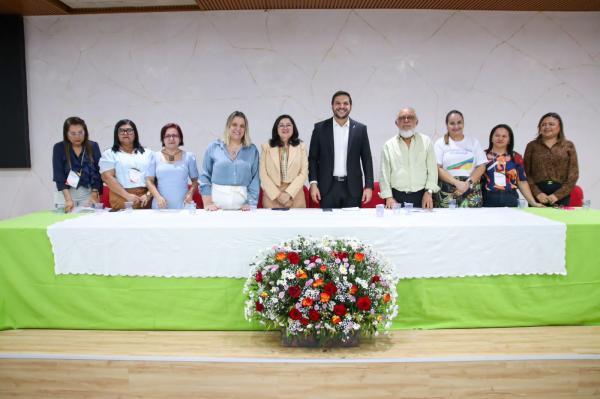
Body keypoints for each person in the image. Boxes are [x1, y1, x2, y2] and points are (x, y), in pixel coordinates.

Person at [308, 90, 374, 208]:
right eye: (337, 103)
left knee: (351, 225)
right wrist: (313, 183)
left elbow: (367, 159)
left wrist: (369, 186)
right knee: (328, 225)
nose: (341, 106)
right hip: (327, 188)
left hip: (353, 189)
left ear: (350, 106)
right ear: (332, 106)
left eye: (345, 103)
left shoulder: (360, 129)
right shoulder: (319, 129)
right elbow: (312, 159)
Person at [379, 108, 438, 209]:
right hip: (396, 198)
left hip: (422, 196)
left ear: (416, 122)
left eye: (410, 117)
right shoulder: (388, 145)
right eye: (402, 118)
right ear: (396, 123)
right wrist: (388, 197)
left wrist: (429, 192)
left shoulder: (426, 142)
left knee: (422, 224)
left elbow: (432, 170)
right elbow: (384, 174)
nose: (406, 120)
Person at [199, 111, 259, 211]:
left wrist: (250, 203)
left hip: (243, 208)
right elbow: (205, 177)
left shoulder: (252, 150)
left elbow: (255, 179)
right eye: (234, 125)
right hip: (216, 207)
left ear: (245, 129)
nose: (238, 129)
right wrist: (208, 203)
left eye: (242, 126)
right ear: (228, 126)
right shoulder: (214, 147)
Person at [434, 110, 487, 208]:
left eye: (459, 122)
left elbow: (481, 166)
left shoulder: (473, 142)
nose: (456, 126)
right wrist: (456, 183)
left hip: (471, 188)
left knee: (471, 221)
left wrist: (468, 183)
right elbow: (437, 168)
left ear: (463, 124)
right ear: (447, 125)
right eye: (452, 123)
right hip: (447, 189)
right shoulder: (440, 143)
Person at [524, 112, 579, 207]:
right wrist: (537, 193)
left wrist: (557, 195)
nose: (547, 127)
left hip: (561, 195)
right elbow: (526, 173)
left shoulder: (568, 146)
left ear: (559, 127)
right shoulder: (532, 146)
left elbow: (573, 174)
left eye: (551, 124)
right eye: (543, 124)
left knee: (560, 221)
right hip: (538, 196)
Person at [482, 124, 542, 208]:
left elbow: (522, 182)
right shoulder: (482, 156)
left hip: (510, 199)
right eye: (497, 135)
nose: (500, 138)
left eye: (504, 136)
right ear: (491, 138)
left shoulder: (516, 157)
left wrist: (533, 202)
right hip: (487, 199)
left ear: (509, 140)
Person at [99, 119, 153, 210]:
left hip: (145, 198)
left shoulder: (148, 153)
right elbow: (107, 177)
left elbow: (155, 177)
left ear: (135, 133)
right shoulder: (109, 154)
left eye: (129, 130)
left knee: (145, 223)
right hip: (121, 196)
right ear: (117, 134)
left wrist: (148, 195)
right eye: (121, 131)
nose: (125, 133)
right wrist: (127, 195)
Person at [52, 116, 102, 212]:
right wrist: (68, 199)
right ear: (66, 134)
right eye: (73, 133)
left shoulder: (93, 146)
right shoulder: (59, 148)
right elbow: (59, 176)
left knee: (87, 223)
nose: (77, 136)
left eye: (80, 132)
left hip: (87, 194)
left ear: (85, 132)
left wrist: (94, 194)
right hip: (65, 195)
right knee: (65, 224)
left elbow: (98, 173)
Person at [145, 123, 199, 209]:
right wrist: (158, 197)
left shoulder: (189, 156)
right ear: (162, 139)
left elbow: (195, 181)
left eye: (175, 135)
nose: (171, 138)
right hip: (160, 205)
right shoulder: (154, 156)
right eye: (167, 136)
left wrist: (190, 193)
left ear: (180, 138)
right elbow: (149, 180)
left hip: (184, 205)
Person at [259, 115, 308, 208]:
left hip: (295, 195)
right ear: (276, 129)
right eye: (281, 125)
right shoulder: (266, 147)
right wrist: (278, 195)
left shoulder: (301, 147)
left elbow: (303, 173)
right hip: (272, 196)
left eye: (288, 125)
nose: (285, 128)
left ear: (293, 128)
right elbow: (263, 174)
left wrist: (288, 194)